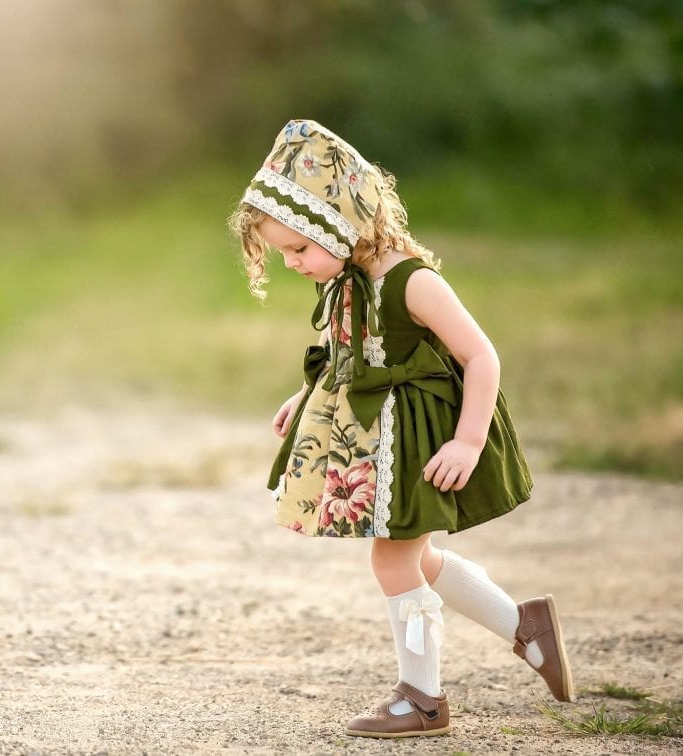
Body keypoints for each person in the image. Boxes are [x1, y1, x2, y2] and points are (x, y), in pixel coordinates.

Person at [227, 119, 574, 739]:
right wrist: (304, 396)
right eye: (282, 253)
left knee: (393, 561)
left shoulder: (412, 281)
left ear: (336, 223)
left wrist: (468, 441)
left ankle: (423, 700)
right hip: (381, 443)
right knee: (419, 558)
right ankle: (525, 626)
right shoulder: (346, 281)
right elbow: (349, 355)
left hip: (419, 444)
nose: (292, 263)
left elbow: (481, 356)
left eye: (299, 248)